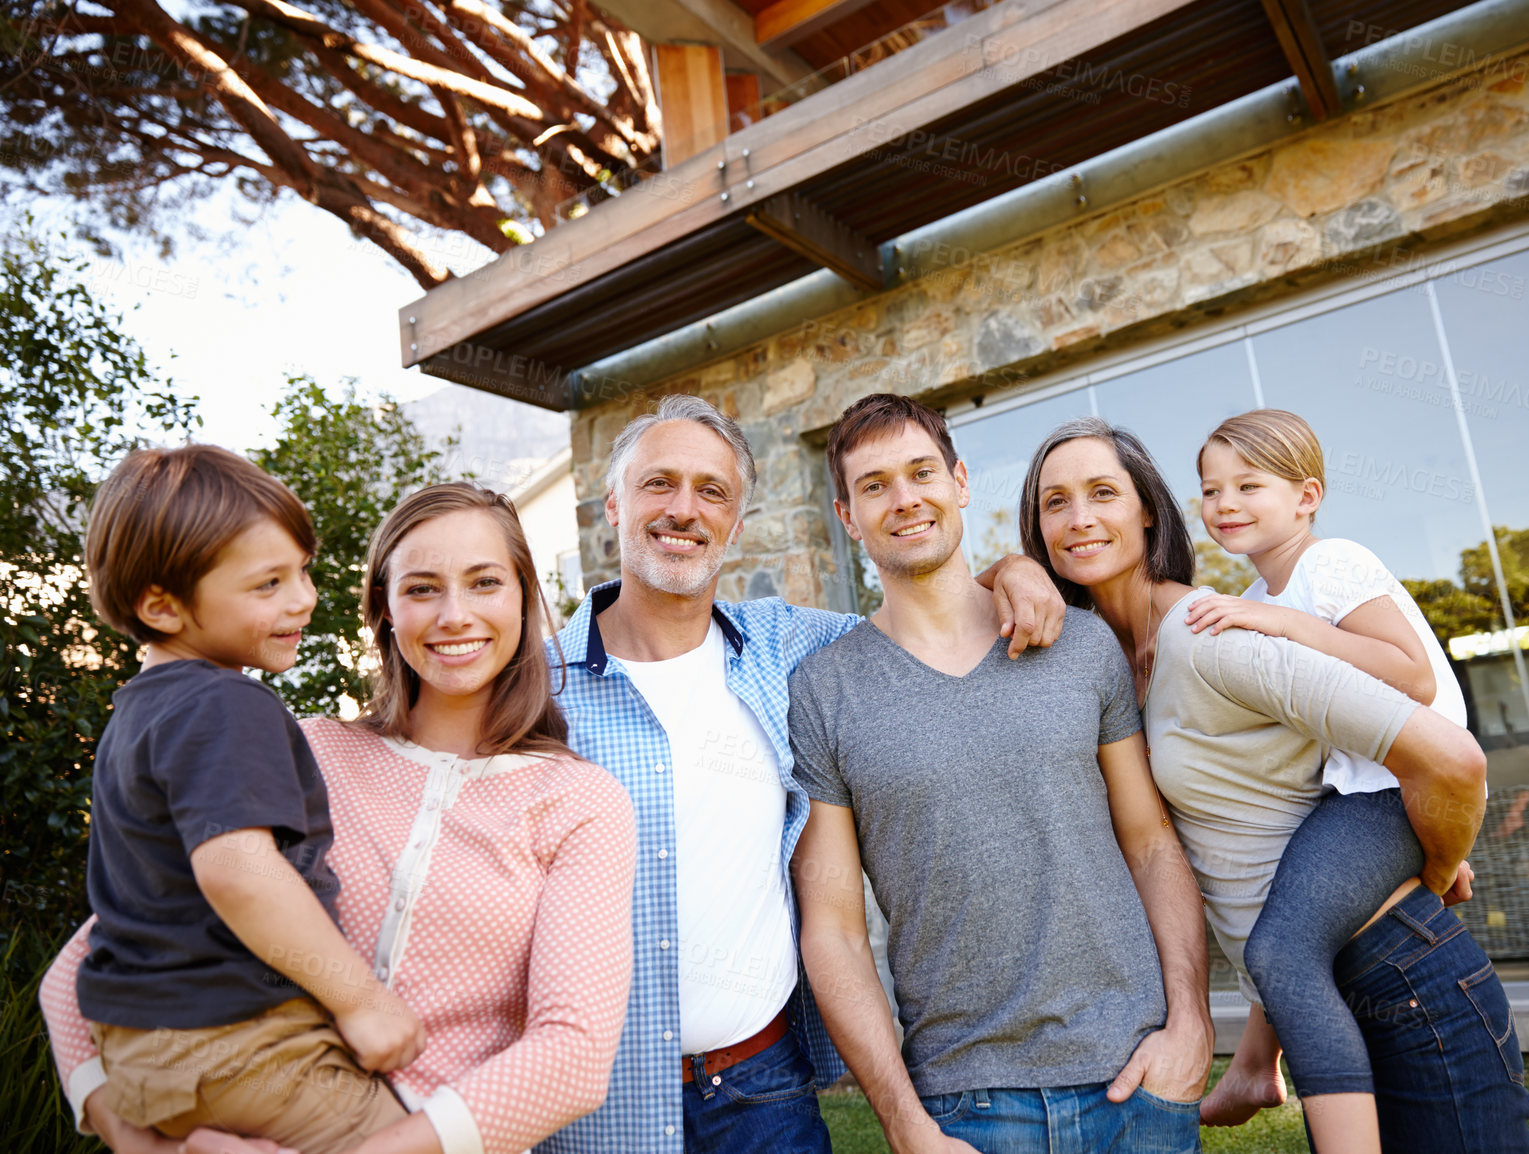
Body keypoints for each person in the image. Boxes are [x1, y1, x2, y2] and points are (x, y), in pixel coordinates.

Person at [540, 394, 1067, 1154]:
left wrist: (1014, 571)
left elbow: (925, 601)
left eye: (712, 491)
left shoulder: (793, 649)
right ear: (614, 504)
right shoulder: (534, 687)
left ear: (736, 525)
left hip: (764, 1093)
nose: (684, 509)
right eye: (659, 484)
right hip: (591, 1103)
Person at [43, 482, 638, 1154]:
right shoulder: (305, 752)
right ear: (383, 609)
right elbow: (89, 960)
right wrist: (136, 1140)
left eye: (484, 582)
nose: (454, 614)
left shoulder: (580, 801)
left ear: (524, 599)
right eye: (420, 589)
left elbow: (573, 1055)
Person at [1022, 417, 1529, 1154]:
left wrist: (1438, 860)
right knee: (1280, 949)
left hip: (1405, 981)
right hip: (1315, 996)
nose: (1078, 518)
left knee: (1281, 949)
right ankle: (1258, 1067)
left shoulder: (1218, 632)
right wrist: (1009, 571)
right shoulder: (1110, 669)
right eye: (1054, 502)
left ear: (1147, 510)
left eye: (1102, 492)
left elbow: (1449, 755)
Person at [788, 394, 1213, 1154]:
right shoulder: (824, 689)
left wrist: (1192, 1024)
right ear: (847, 516)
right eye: (875, 485)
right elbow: (835, 929)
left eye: (922, 472)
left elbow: (1151, 845)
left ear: (959, 481)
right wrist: (903, 1121)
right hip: (965, 1105)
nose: (906, 498)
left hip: (1135, 1077)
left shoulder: (1080, 646)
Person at [59, 443, 420, 1154]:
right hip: (237, 1038)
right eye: (267, 584)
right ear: (162, 606)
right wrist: (363, 1000)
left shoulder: (139, 710)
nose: (303, 599)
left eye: (303, 571)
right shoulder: (226, 704)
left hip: (143, 1050)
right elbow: (238, 871)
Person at [1184, 408, 1476, 1145]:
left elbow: (1409, 673)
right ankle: (1257, 1062)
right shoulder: (1251, 603)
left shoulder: (1331, 563)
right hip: (1357, 798)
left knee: (1281, 950)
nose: (1224, 505)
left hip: (1387, 794)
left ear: (1306, 496)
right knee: (1278, 905)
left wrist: (1288, 627)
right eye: (1211, 491)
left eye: (1248, 485)